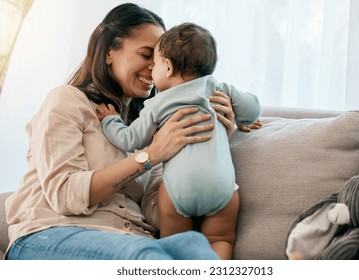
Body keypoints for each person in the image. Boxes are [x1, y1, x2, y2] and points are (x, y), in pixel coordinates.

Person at [4, 3, 242, 260]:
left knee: (194, 248)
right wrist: (150, 155)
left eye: (160, 58)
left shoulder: (151, 125)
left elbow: (156, 212)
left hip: (129, 238)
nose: (155, 66)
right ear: (109, 52)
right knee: (145, 255)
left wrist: (205, 143)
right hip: (52, 234)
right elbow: (64, 194)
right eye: (145, 54)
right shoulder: (67, 101)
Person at [96, 22, 262, 259]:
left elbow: (129, 139)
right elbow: (253, 108)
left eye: (154, 62)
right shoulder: (217, 88)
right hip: (221, 188)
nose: (151, 69)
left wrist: (110, 121)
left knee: (177, 247)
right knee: (220, 239)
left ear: (169, 67)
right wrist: (242, 117)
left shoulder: (156, 104)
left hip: (178, 191)